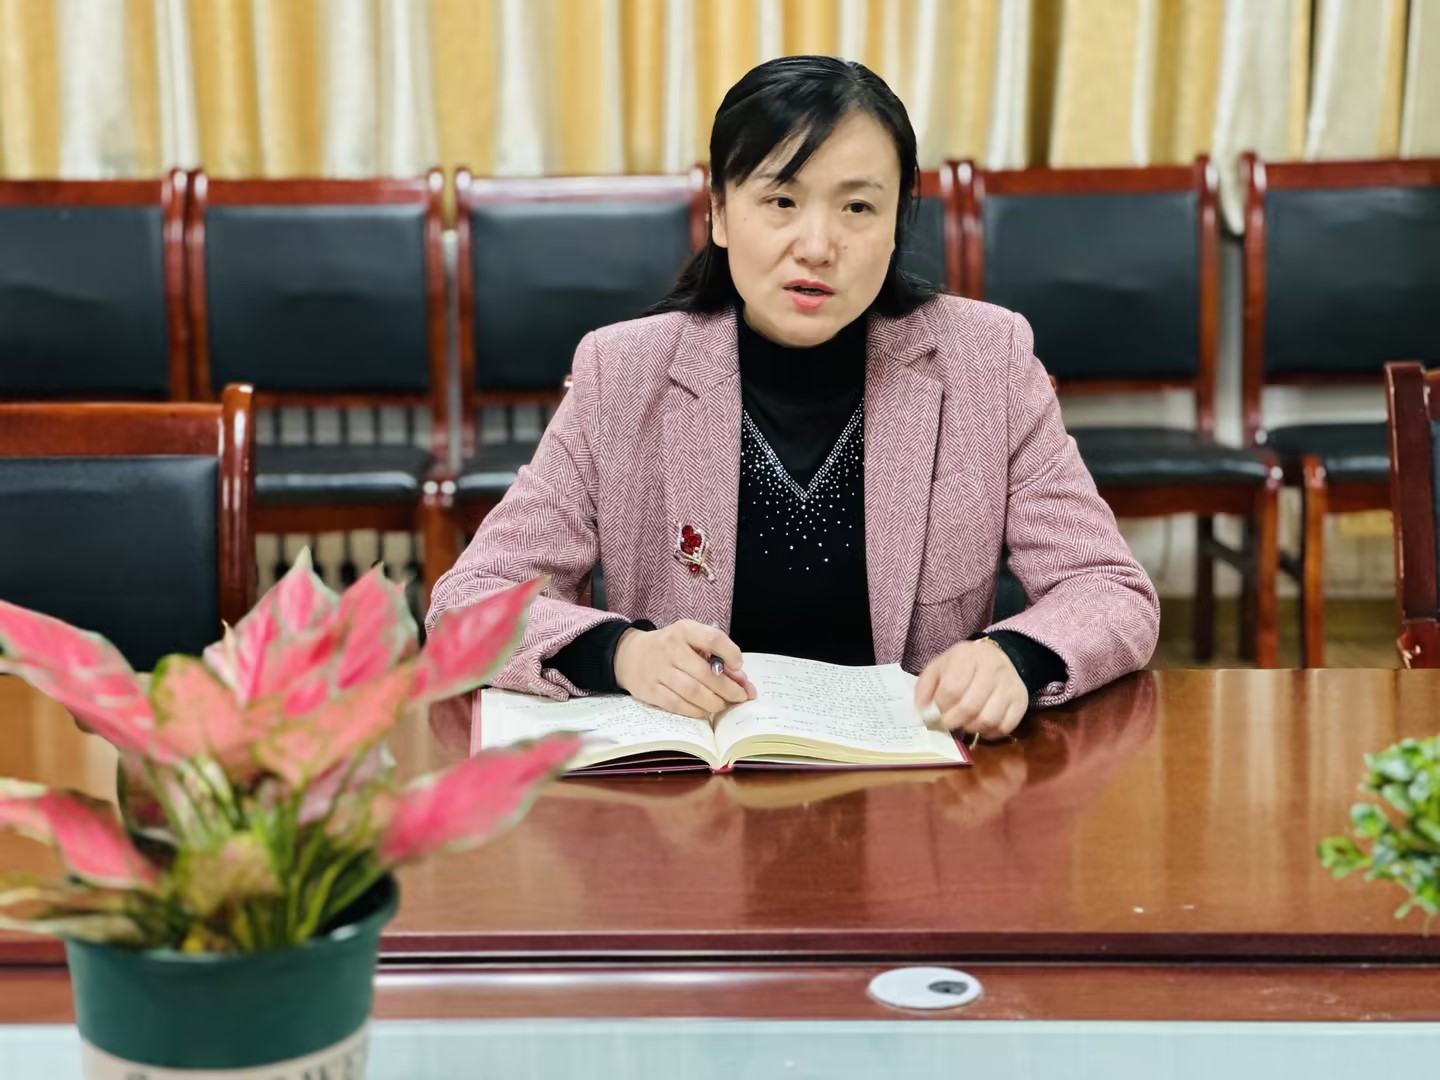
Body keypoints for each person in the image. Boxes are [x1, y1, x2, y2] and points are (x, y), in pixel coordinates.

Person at [427, 56, 1159, 741]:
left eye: (857, 207)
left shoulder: (986, 362)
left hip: (914, 787)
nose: (817, 245)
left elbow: (1108, 588)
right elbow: (468, 602)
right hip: (695, 795)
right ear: (719, 213)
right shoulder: (623, 374)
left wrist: (1015, 658)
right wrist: (620, 654)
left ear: (897, 225)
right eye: (781, 199)